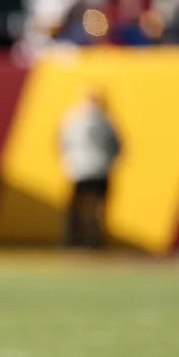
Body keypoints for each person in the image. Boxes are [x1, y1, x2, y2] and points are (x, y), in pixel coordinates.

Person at [60, 90, 121, 248]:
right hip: (100, 169)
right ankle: (93, 241)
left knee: (76, 208)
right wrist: (109, 162)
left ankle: (72, 240)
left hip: (78, 170)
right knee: (96, 209)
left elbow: (63, 143)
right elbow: (116, 146)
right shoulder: (107, 120)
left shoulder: (72, 118)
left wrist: (69, 162)